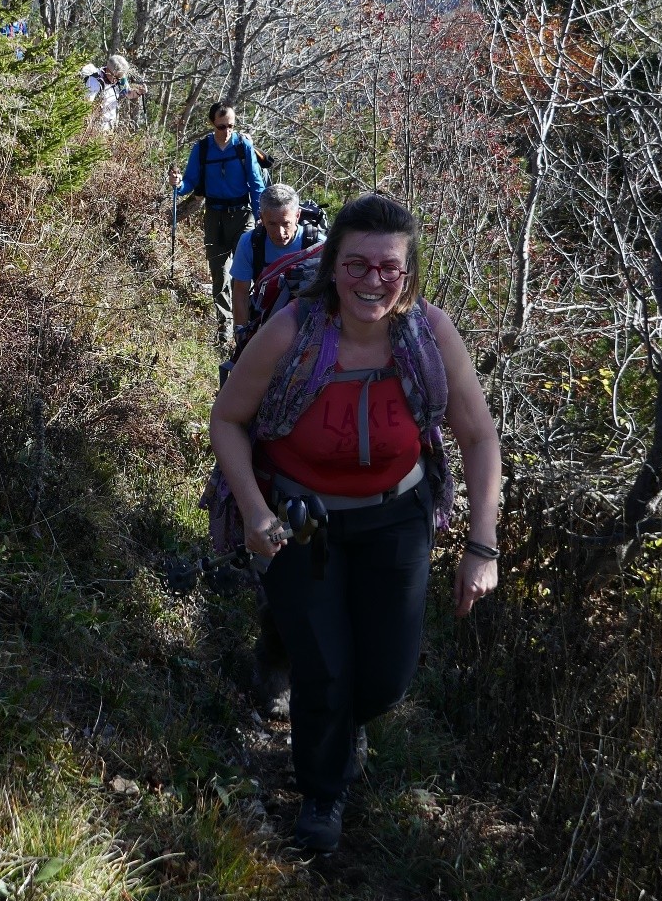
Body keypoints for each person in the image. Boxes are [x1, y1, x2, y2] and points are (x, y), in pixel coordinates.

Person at [208, 192, 501, 855]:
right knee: (328, 670)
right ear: (333, 267)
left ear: (410, 273)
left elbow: (479, 438)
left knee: (386, 677)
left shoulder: (430, 335)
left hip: (397, 517)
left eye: (388, 268)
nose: (373, 281)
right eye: (357, 266)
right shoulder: (293, 330)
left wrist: (482, 545)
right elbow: (228, 419)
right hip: (298, 520)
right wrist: (254, 511)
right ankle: (322, 792)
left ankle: (316, 690)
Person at [169, 104, 266, 346]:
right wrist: (177, 185)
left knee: (243, 273)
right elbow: (189, 182)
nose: (227, 131)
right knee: (219, 273)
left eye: (231, 126)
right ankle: (224, 328)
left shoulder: (243, 147)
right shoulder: (202, 149)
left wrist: (261, 217)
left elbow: (256, 184)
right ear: (212, 124)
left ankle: (247, 326)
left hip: (243, 215)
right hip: (214, 216)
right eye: (222, 126)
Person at [230, 183, 325, 333]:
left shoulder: (317, 244)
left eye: (286, 223)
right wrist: (241, 333)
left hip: (307, 323)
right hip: (263, 320)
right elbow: (240, 293)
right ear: (261, 217)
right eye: (272, 224)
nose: (280, 232)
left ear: (297, 215)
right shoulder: (250, 243)